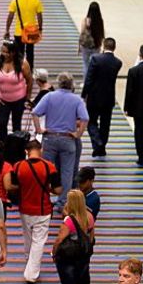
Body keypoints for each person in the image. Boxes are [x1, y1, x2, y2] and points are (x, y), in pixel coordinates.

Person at [5, 140, 60, 284]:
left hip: (25, 209)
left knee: (28, 238)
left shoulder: (18, 166)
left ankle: (29, 263)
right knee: (39, 241)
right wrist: (48, 189)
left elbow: (12, 186)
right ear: (40, 149)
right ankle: (31, 274)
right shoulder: (50, 167)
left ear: (26, 151)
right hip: (43, 209)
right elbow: (58, 189)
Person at [32, 72, 87, 212]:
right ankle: (62, 202)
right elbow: (85, 119)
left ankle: (43, 197)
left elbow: (35, 112)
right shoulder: (76, 100)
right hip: (68, 139)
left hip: (50, 138)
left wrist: (39, 129)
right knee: (67, 172)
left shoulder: (49, 96)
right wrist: (78, 134)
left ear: (58, 83)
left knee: (46, 169)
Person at [52, 188, 96, 284]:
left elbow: (59, 239)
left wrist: (54, 252)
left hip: (68, 260)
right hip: (83, 258)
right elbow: (91, 238)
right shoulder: (89, 217)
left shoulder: (69, 221)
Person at [82, 38, 122, 157]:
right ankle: (101, 147)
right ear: (114, 47)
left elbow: (89, 79)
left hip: (94, 97)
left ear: (104, 46)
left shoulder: (95, 59)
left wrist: (84, 94)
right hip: (108, 98)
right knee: (105, 124)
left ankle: (97, 141)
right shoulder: (118, 62)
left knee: (91, 121)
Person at [0, 40, 32, 142]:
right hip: (3, 100)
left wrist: (27, 98)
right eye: (2, 51)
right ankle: (3, 147)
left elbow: (30, 81)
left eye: (6, 52)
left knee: (16, 125)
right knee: (1, 123)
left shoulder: (23, 63)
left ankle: (16, 149)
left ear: (13, 52)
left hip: (18, 100)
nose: (4, 54)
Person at [4, 0, 43, 67]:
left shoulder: (15, 0)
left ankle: (19, 71)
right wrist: (40, 29)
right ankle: (30, 71)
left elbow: (10, 16)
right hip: (31, 32)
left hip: (19, 32)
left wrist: (7, 30)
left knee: (19, 53)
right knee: (30, 53)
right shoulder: (36, 0)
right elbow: (39, 16)